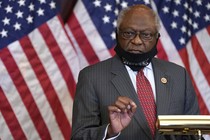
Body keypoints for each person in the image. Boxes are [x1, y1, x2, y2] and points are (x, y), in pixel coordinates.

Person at [71, 4, 201, 140]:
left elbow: (193, 133)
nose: (137, 41)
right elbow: (79, 136)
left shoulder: (179, 75)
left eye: (146, 35)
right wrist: (110, 131)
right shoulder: (92, 77)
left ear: (157, 37)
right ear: (117, 33)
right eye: (128, 33)